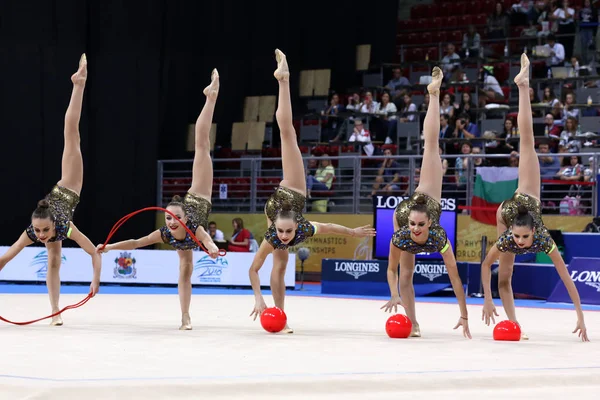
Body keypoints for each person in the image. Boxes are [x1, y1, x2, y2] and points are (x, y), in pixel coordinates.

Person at [248, 50, 376, 333]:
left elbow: (330, 226)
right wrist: (259, 300)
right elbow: (252, 270)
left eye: (287, 234)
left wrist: (354, 233)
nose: (283, 237)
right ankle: (283, 79)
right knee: (288, 134)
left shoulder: (297, 229)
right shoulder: (280, 233)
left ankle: (280, 314)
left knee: (280, 264)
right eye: (283, 234)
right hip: (288, 197)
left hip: (283, 202)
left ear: (295, 228)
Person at [97, 69, 221, 330]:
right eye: (168, 217)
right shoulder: (165, 232)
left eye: (176, 217)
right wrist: (108, 247)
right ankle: (185, 316)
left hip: (199, 192)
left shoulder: (192, 227)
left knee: (202, 144)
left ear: (185, 217)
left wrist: (210, 249)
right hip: (190, 219)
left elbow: (207, 239)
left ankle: (211, 97)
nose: (171, 221)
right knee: (185, 268)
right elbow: (136, 242)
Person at [480, 54, 589, 342]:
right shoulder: (510, 237)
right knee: (527, 140)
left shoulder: (542, 238)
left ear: (532, 233)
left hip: (520, 204)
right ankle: (523, 86)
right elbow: (485, 267)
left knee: (528, 141)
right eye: (519, 239)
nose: (520, 243)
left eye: (523, 240)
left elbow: (567, 279)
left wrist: (580, 316)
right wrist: (487, 301)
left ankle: (523, 84)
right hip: (509, 210)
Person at [0, 55, 101, 326]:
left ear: (51, 224)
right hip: (62, 194)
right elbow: (5, 259)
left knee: (71, 131)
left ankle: (79, 84)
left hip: (69, 183)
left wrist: (95, 280)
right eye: (40, 231)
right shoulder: (36, 230)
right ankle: (55, 311)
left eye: (44, 231)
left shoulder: (64, 226)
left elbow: (94, 252)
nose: (41, 236)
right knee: (53, 261)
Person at [380, 66, 471, 339]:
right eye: (415, 226)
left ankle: (434, 94)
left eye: (421, 226)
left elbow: (455, 277)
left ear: (430, 223)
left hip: (421, 200)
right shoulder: (407, 234)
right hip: (407, 210)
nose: (418, 229)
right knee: (406, 275)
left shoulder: (439, 235)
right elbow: (391, 269)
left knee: (431, 146)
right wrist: (394, 294)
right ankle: (413, 321)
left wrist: (464, 313)